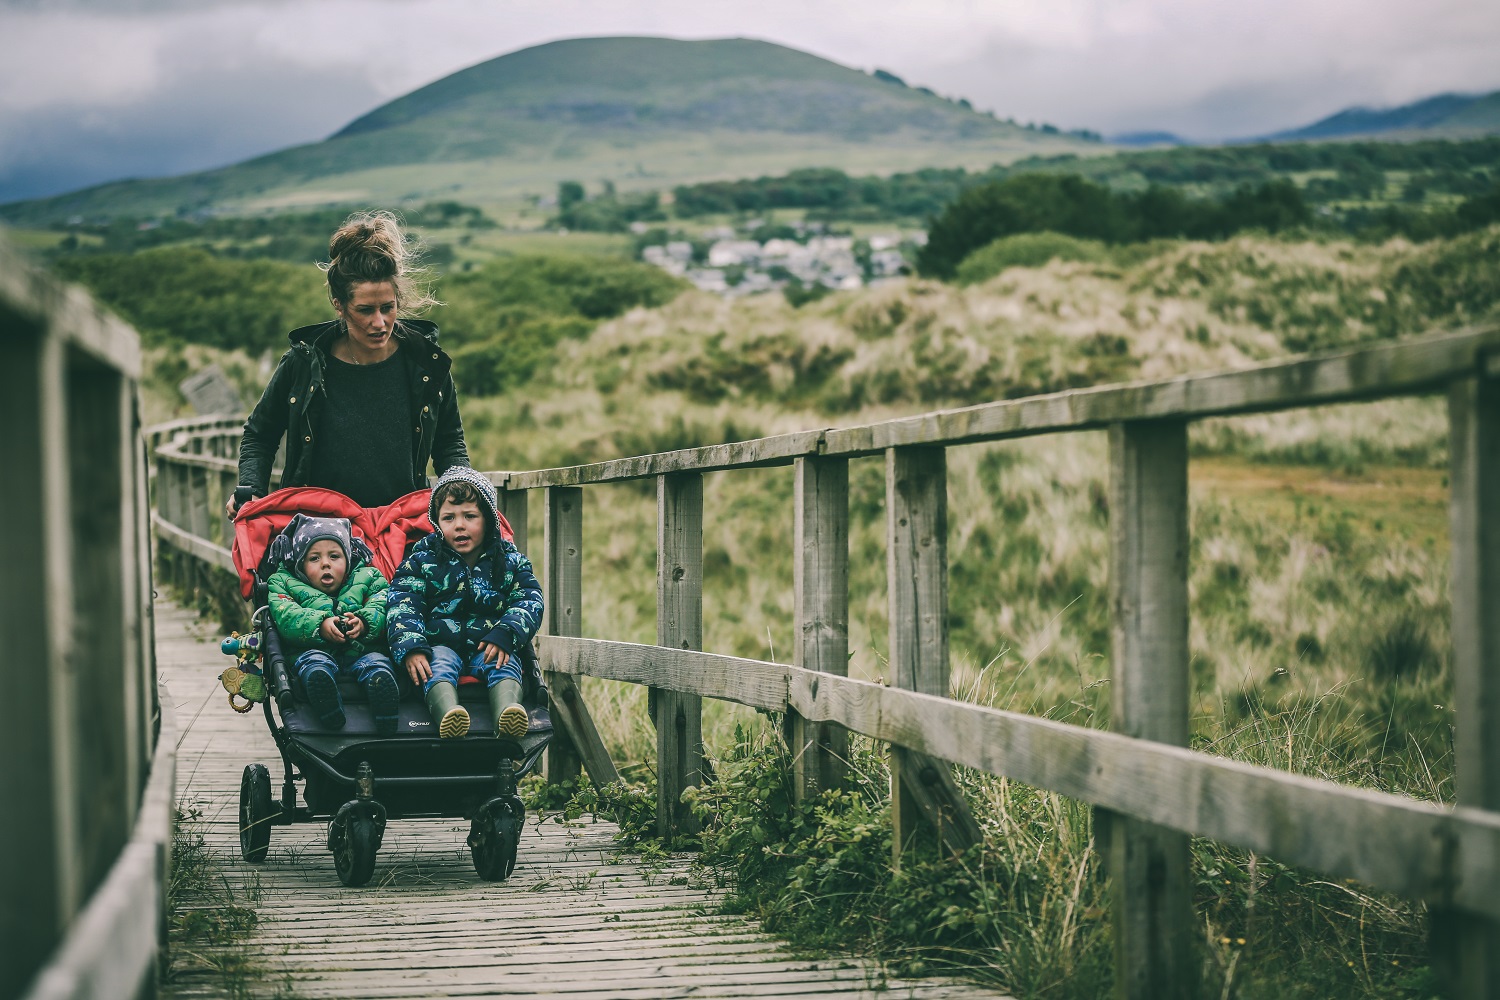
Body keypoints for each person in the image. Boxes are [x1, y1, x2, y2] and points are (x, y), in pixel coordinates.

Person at [228, 210, 468, 516]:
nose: (380, 322)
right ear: (339, 305)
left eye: (388, 308)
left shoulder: (426, 362)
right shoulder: (303, 363)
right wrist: (251, 491)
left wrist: (465, 495)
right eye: (365, 310)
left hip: (401, 529)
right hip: (319, 536)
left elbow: (450, 443)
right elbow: (260, 434)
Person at [386, 467, 543, 740]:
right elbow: (403, 603)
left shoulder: (509, 560)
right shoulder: (422, 560)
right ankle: (449, 714)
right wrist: (411, 647)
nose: (459, 525)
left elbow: (529, 599)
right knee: (437, 667)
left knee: (504, 665)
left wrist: (507, 632)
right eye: (448, 518)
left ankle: (507, 712)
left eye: (470, 516)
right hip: (440, 645)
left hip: (490, 644)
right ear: (436, 523)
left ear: (489, 520)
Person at [266, 515, 400, 735]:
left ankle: (386, 708)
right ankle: (327, 705)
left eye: (334, 556)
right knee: (313, 664)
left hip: (362, 652)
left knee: (377, 663)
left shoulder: (369, 577)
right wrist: (319, 625)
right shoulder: (284, 583)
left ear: (348, 558)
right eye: (314, 558)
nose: (325, 563)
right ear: (300, 564)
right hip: (313, 650)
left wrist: (365, 623)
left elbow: (382, 605)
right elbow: (287, 616)